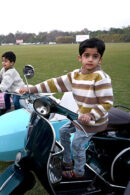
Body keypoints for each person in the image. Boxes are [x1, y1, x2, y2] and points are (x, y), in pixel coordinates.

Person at [19, 38, 113, 179]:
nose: (90, 59)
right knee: (63, 131)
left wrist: (91, 115)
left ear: (100, 60)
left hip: (94, 122)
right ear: (80, 58)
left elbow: (107, 102)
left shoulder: (101, 78)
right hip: (79, 117)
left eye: (95, 56)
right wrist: (31, 89)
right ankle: (67, 161)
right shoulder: (75, 76)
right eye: (87, 55)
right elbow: (53, 84)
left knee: (77, 144)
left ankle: (78, 172)